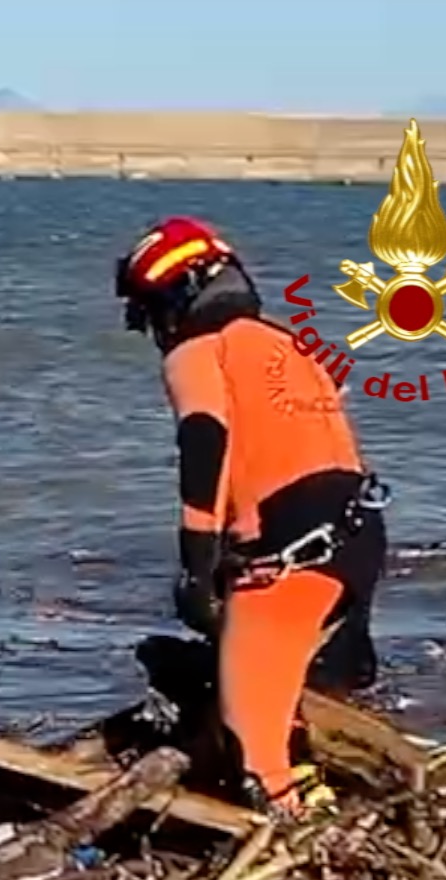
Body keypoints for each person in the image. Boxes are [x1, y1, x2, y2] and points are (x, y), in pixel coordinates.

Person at [113, 216, 388, 818]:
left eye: (148, 313)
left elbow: (205, 441)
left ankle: (300, 846)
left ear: (175, 297)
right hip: (359, 533)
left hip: (293, 551)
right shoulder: (291, 343)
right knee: (299, 700)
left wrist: (196, 563)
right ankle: (337, 799)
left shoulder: (197, 351)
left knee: (255, 763)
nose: (154, 331)